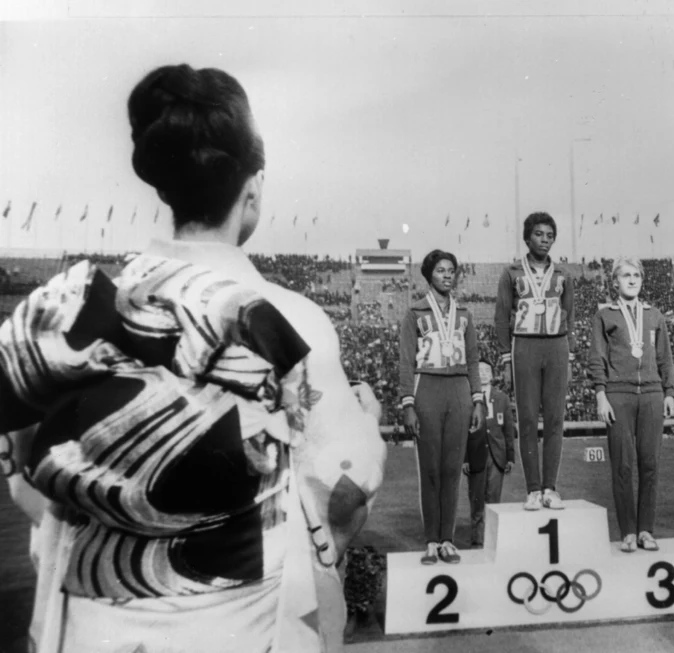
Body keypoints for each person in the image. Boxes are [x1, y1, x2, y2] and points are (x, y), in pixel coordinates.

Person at [0, 64, 387, 653]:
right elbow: (343, 497)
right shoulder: (291, 321)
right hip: (239, 621)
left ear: (164, 188)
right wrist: (370, 430)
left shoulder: (71, 309)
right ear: (252, 189)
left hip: (91, 620)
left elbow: (27, 473)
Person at [400, 250, 486, 565]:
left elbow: (474, 360)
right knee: (431, 470)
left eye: (451, 270)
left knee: (452, 469)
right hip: (427, 389)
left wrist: (478, 398)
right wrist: (408, 403)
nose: (447, 275)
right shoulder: (415, 313)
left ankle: (448, 540)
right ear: (429, 275)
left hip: (460, 390)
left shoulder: (465, 314)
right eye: (441, 270)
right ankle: (431, 540)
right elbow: (406, 362)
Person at [589, 257, 674, 552]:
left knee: (650, 465)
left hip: (652, 394)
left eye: (636, 275)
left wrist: (670, 392)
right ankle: (628, 531)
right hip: (618, 394)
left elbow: (666, 357)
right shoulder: (605, 316)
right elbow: (597, 358)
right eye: (625, 275)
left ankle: (645, 531)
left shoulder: (654, 316)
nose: (632, 280)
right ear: (615, 281)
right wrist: (601, 394)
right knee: (623, 466)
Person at [494, 212, 575, 511]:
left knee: (555, 419)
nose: (545, 240)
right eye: (539, 234)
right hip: (524, 347)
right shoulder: (511, 273)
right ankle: (531, 490)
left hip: (556, 347)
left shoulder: (563, 274)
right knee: (527, 420)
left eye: (550, 235)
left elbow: (570, 316)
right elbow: (502, 317)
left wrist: (569, 356)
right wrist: (505, 358)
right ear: (527, 238)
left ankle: (550, 488)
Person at [462, 361, 517, 547]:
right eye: (479, 371)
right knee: (476, 501)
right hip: (476, 455)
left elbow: (509, 430)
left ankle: (494, 542)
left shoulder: (502, 398)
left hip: (497, 457)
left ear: (493, 375)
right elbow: (462, 432)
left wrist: (510, 457)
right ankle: (477, 542)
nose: (483, 374)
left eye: (487, 371)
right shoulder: (467, 398)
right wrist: (464, 459)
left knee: (494, 502)